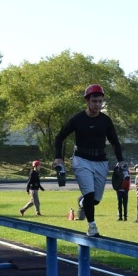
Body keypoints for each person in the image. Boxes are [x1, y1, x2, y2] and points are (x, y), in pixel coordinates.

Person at [53, 84, 124, 237]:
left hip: (101, 162)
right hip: (81, 160)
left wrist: (121, 160)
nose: (98, 105)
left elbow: (115, 142)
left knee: (95, 200)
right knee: (90, 195)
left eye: (100, 101)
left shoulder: (106, 121)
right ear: (87, 101)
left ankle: (82, 202)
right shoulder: (78, 119)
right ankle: (92, 227)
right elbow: (59, 138)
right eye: (94, 101)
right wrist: (58, 158)